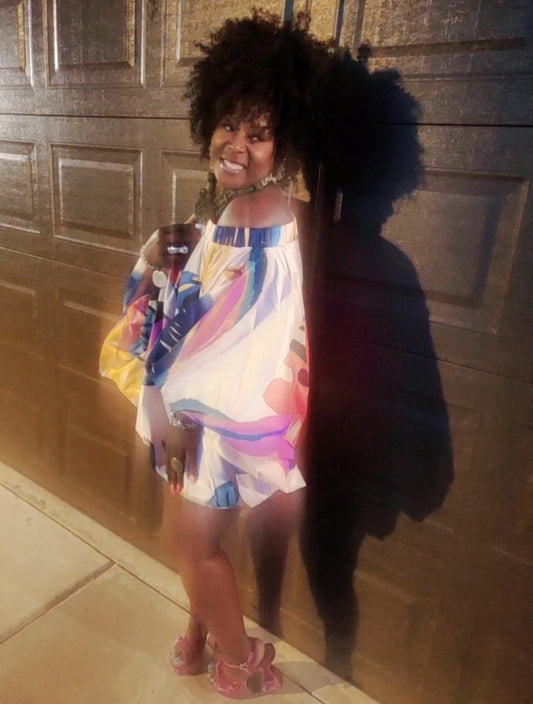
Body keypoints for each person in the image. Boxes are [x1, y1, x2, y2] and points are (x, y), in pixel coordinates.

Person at [100, 10, 330, 697]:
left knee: (189, 544)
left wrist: (176, 412)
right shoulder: (230, 206)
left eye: (258, 134)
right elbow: (196, 298)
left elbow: (235, 335)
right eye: (229, 125)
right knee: (196, 540)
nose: (236, 145)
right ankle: (200, 632)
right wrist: (165, 250)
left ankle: (237, 661)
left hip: (212, 423)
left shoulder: (262, 220)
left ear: (283, 144)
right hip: (205, 417)